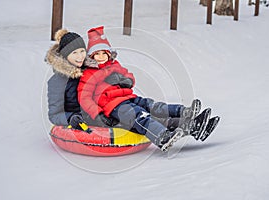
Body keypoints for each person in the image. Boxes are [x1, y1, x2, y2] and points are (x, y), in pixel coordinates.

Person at [77, 26, 219, 151]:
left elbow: (129, 75)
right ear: (91, 56)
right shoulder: (90, 73)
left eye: (104, 53)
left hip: (129, 98)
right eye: (97, 54)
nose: (101, 57)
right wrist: (98, 114)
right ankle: (162, 137)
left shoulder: (115, 65)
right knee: (140, 116)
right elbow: (84, 97)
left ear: (109, 54)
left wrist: (126, 80)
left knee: (153, 106)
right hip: (113, 107)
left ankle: (186, 114)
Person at [45, 29, 118, 133]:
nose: (80, 57)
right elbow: (54, 115)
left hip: (101, 115)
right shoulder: (58, 81)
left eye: (82, 51)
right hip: (80, 122)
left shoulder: (92, 70)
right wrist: (71, 118)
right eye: (74, 53)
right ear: (65, 55)